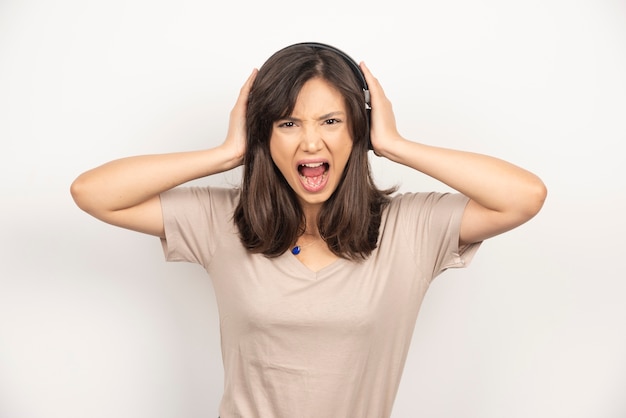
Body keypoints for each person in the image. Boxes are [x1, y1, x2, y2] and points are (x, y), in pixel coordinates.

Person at [70, 42, 547, 418]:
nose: (311, 140)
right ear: (266, 136)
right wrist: (225, 153)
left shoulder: (411, 228)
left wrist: (395, 144)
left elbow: (524, 197)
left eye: (332, 121)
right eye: (288, 122)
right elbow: (93, 192)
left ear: (358, 131)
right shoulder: (221, 221)